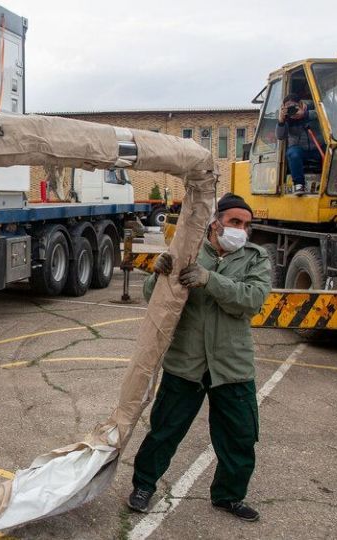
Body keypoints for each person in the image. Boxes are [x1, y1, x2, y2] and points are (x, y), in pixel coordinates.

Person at [126, 193, 272, 522]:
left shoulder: (255, 257)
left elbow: (252, 299)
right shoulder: (188, 251)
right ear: (215, 222)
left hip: (231, 365)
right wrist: (159, 274)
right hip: (186, 362)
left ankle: (228, 496)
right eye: (235, 222)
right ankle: (144, 485)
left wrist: (209, 279)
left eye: (247, 225)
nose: (242, 230)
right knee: (164, 430)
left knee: (240, 436)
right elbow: (154, 297)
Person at [276, 93, 319, 194]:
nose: (292, 111)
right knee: (293, 154)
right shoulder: (286, 116)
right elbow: (280, 136)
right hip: (299, 149)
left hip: (318, 146)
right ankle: (299, 185)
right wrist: (281, 121)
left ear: (300, 104)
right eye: (288, 108)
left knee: (332, 153)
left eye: (293, 107)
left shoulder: (314, 106)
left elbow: (326, 113)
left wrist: (305, 114)